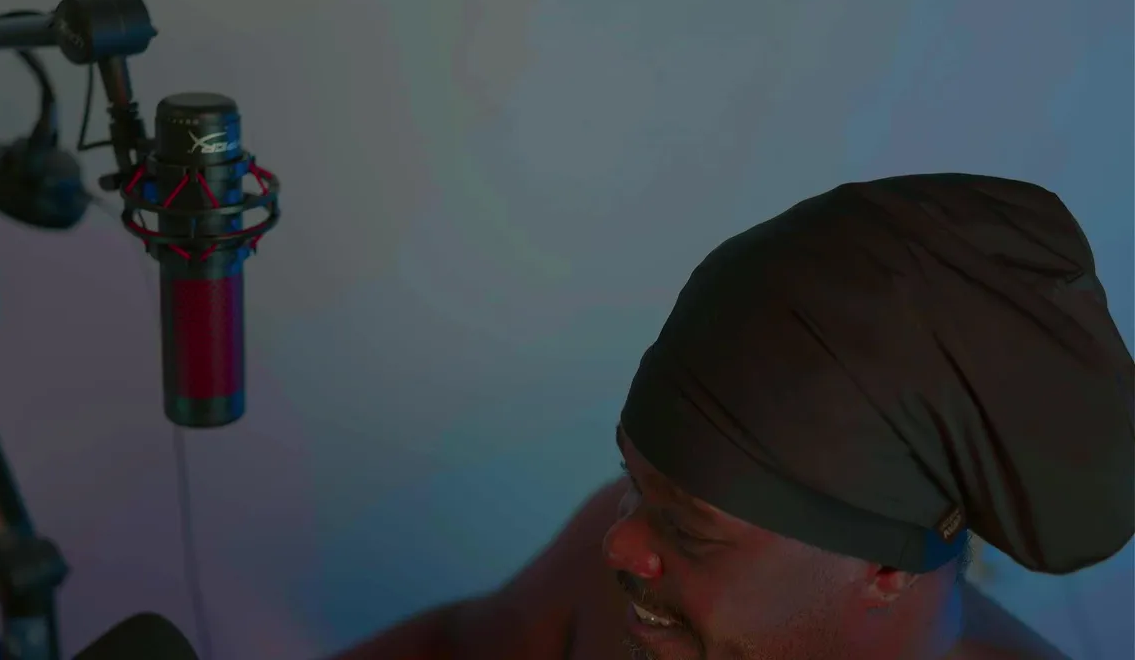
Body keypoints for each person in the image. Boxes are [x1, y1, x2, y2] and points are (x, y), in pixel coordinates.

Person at [328, 174, 1134, 660]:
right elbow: (455, 648)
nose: (621, 541)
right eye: (635, 484)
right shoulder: (604, 576)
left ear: (885, 568)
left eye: (687, 528)